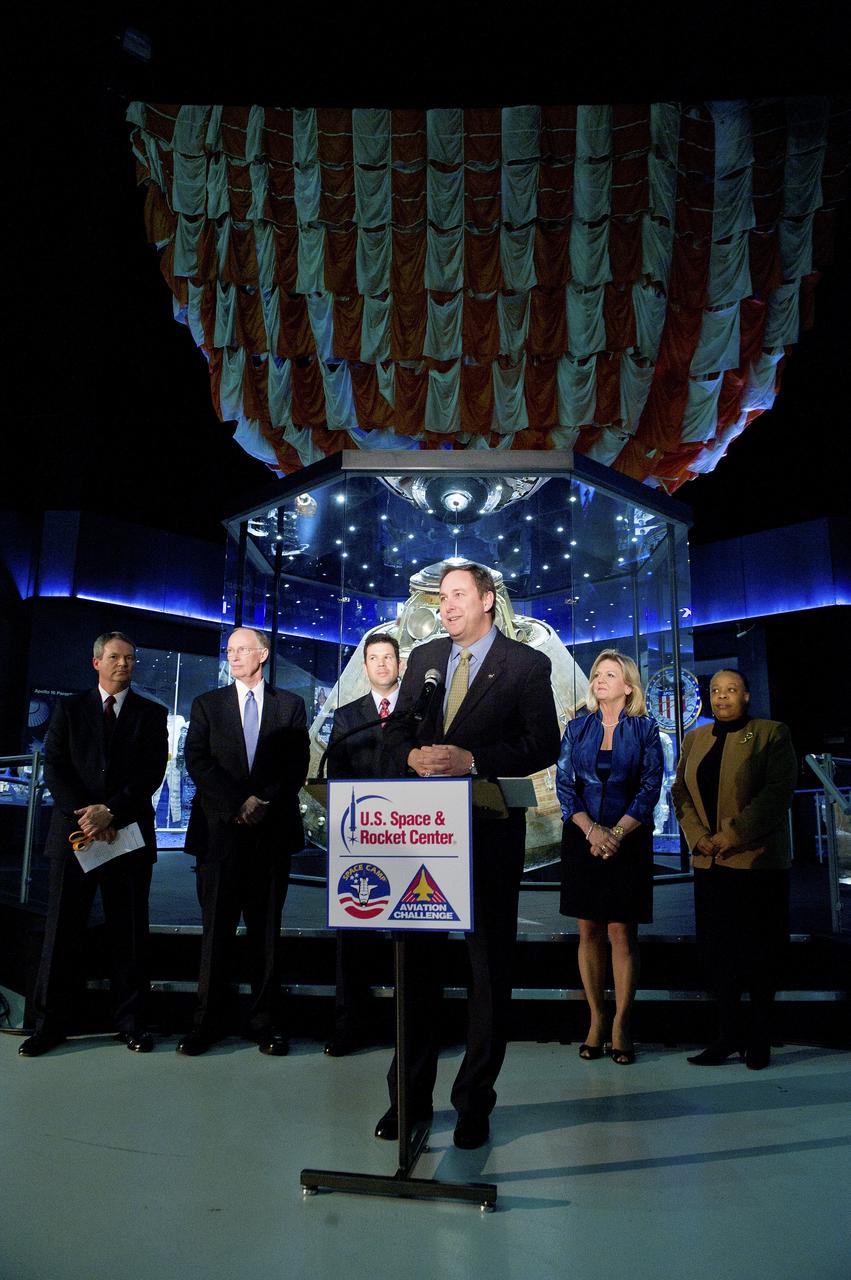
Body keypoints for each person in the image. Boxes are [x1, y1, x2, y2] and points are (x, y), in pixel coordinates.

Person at [378, 562, 560, 1149]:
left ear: (487, 599)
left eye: (458, 595)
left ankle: (474, 1102)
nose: (446, 605)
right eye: (441, 597)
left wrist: (471, 760)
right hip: (420, 839)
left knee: (487, 973)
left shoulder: (526, 664)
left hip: (486, 837)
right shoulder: (425, 659)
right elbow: (394, 735)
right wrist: (410, 759)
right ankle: (406, 1100)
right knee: (415, 972)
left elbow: (542, 743)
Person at [19, 631, 168, 1056]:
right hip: (74, 837)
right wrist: (87, 815)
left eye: (130, 659)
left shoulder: (151, 714)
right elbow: (56, 768)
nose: (125, 664)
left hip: (128, 836)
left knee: (130, 933)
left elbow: (149, 773)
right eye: (116, 657)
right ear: (96, 662)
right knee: (62, 931)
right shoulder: (69, 709)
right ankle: (50, 1025)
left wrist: (111, 813)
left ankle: (132, 1022)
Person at [178, 627, 309, 1056]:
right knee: (215, 932)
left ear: (263, 654)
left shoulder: (289, 706)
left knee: (265, 935)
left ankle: (264, 1022)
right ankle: (206, 1022)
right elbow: (196, 760)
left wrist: (263, 800)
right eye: (230, 650)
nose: (234, 656)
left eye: (242, 650)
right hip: (219, 835)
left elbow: (295, 764)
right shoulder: (207, 705)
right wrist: (240, 802)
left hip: (270, 837)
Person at [672, 669, 797, 1069]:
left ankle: (759, 1039)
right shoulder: (695, 739)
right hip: (710, 864)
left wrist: (731, 835)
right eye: (715, 691)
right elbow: (680, 793)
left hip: (756, 864)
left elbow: (776, 794)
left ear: (746, 695)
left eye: (731, 690)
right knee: (718, 954)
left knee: (760, 954)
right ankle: (726, 1037)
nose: (722, 697)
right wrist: (697, 837)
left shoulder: (771, 733)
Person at [556, 651, 663, 1065]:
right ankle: (596, 1019)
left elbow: (650, 786)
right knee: (589, 932)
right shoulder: (576, 728)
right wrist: (591, 830)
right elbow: (565, 786)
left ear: (628, 686)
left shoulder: (645, 729)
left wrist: (616, 832)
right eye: (597, 674)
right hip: (583, 839)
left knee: (621, 932)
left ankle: (622, 1022)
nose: (600, 679)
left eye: (610, 674)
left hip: (629, 841)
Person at [324, 632, 401, 1057]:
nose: (382, 664)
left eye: (388, 657)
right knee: (353, 936)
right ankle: (348, 1026)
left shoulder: (417, 714)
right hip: (359, 841)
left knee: (408, 938)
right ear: (365, 666)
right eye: (374, 658)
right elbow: (337, 776)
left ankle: (406, 1028)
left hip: (410, 839)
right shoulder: (347, 715)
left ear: (399, 664)